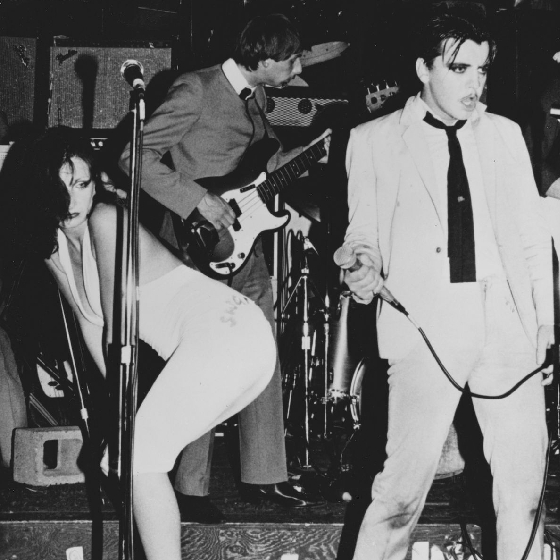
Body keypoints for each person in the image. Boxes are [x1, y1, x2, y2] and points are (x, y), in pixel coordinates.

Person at [338, 7, 555, 560]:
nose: (474, 85)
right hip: (425, 329)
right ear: (422, 67)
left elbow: (533, 242)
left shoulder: (506, 135)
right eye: (460, 69)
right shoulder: (373, 139)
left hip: (508, 330)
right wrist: (361, 267)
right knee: (398, 499)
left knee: (525, 499)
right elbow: (362, 235)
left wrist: (546, 324)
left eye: (482, 71)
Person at [0, 127, 276, 560]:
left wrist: (120, 416)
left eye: (83, 184)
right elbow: (91, 325)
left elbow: (117, 327)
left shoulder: (107, 220)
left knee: (136, 458)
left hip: (229, 331)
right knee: (128, 460)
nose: (74, 201)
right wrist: (118, 406)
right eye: (61, 186)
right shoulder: (52, 248)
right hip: (222, 348)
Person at [119, 13, 331, 518]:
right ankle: (189, 488)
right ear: (262, 58)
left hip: (242, 239)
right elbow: (132, 156)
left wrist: (306, 156)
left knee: (260, 341)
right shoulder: (196, 89)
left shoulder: (256, 98)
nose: (299, 66)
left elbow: (259, 165)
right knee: (205, 352)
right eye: (291, 58)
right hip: (194, 239)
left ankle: (263, 475)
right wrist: (194, 200)